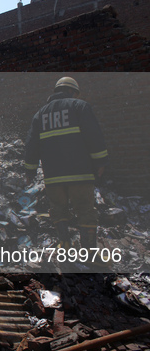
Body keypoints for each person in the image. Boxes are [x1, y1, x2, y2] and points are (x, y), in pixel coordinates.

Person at [24, 77, 109, 252]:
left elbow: (31, 145)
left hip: (53, 176)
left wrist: (30, 171)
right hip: (80, 173)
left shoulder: (40, 114)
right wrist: (100, 161)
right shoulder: (80, 107)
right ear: (72, 92)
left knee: (58, 209)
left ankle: (65, 244)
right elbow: (93, 136)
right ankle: (88, 252)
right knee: (85, 209)